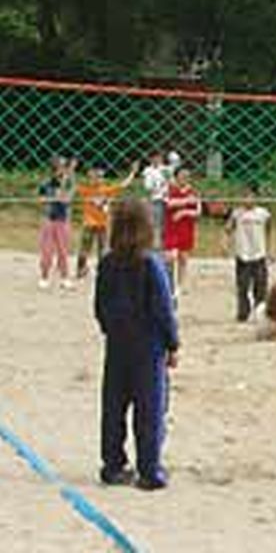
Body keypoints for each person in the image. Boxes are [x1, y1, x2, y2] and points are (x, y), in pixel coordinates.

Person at [95, 199, 179, 490]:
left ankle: (113, 465)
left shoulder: (108, 262)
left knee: (113, 406)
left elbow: (100, 307)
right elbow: (163, 309)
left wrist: (112, 330)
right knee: (150, 408)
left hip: (118, 343)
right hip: (148, 345)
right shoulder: (150, 263)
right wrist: (173, 343)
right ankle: (149, 469)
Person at [75, 161, 139, 279]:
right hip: (89, 223)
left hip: (102, 223)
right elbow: (73, 184)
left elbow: (123, 185)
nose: (98, 179)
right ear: (90, 177)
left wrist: (133, 173)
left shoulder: (106, 189)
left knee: (103, 249)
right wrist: (70, 169)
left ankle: (102, 270)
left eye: (100, 177)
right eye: (95, 177)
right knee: (84, 248)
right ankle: (81, 269)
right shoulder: (86, 189)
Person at [223, 187, 274, 322]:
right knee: (243, 286)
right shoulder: (237, 213)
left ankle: (260, 313)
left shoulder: (263, 213)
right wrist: (226, 244)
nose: (247, 200)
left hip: (259, 254)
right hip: (243, 254)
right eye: (245, 197)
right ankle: (243, 313)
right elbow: (228, 229)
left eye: (250, 196)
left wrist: (270, 251)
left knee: (260, 286)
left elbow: (268, 232)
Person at [37, 156, 77, 290]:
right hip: (48, 219)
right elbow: (41, 200)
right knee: (47, 251)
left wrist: (63, 192)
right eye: (60, 167)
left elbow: (67, 200)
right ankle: (44, 277)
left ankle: (65, 278)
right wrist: (55, 197)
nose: (62, 169)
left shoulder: (69, 182)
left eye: (64, 167)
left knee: (63, 251)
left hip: (63, 220)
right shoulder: (46, 183)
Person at [164, 167, 201, 295]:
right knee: (170, 257)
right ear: (176, 176)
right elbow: (168, 203)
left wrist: (183, 212)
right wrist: (185, 201)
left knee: (183, 257)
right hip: (172, 227)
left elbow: (197, 211)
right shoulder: (170, 189)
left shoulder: (193, 191)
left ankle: (181, 284)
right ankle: (169, 283)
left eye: (187, 175)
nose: (184, 178)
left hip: (186, 227)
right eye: (182, 175)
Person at [143, 151, 174, 249]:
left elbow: (172, 182)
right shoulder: (148, 170)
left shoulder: (166, 169)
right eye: (154, 158)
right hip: (156, 199)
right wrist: (158, 186)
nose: (157, 160)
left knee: (166, 225)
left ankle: (165, 246)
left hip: (167, 200)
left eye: (158, 157)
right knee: (156, 224)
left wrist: (168, 179)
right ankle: (155, 247)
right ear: (151, 159)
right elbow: (147, 187)